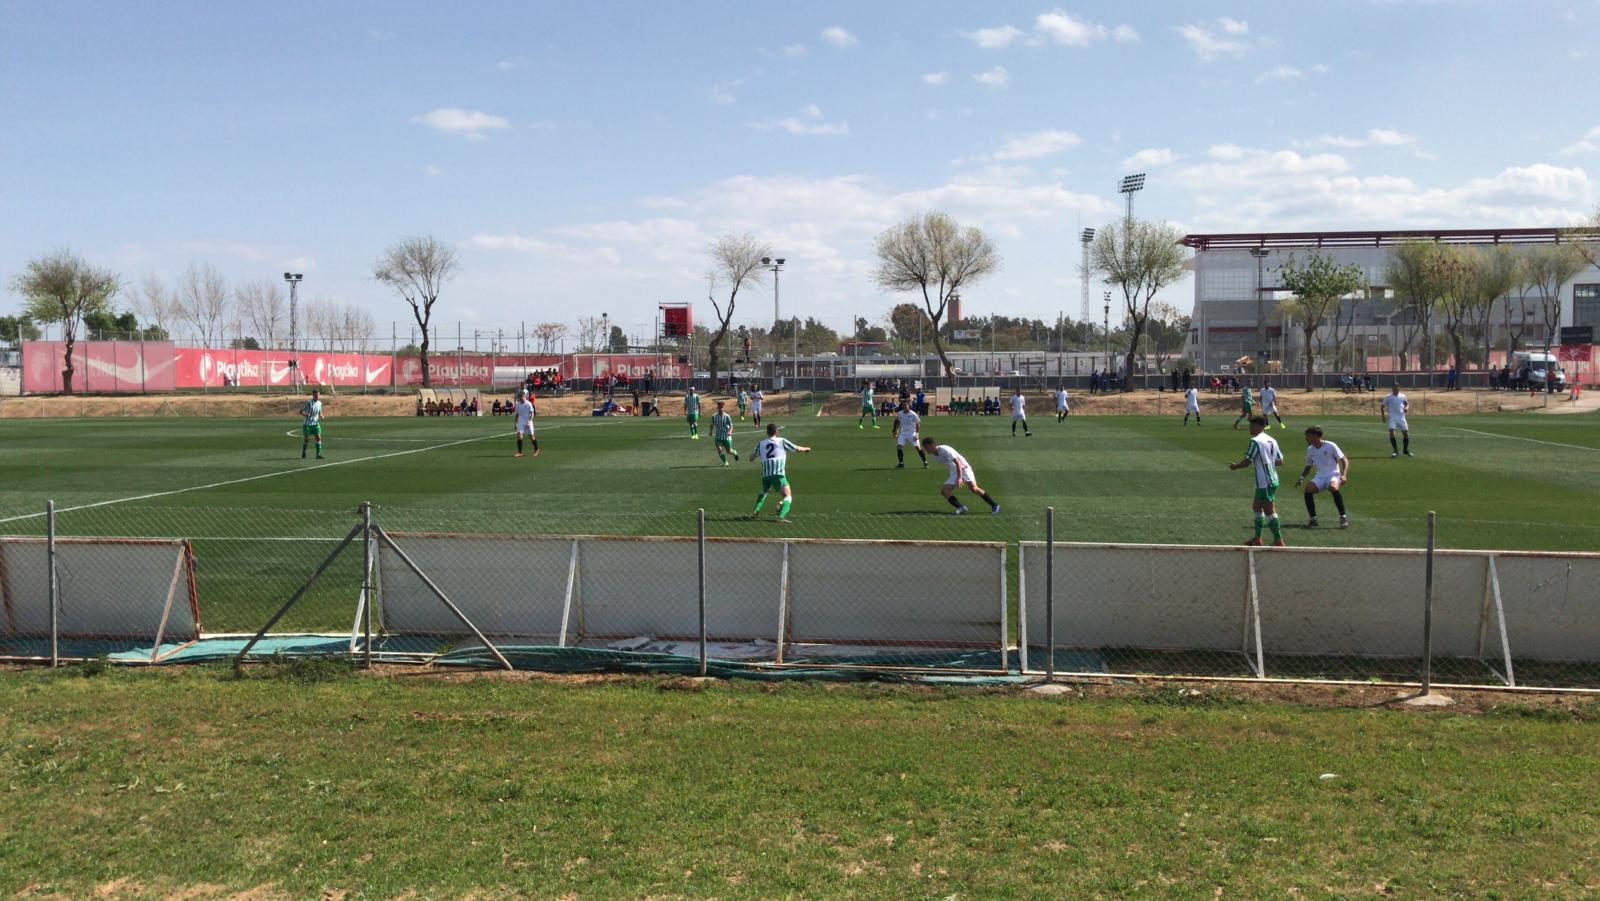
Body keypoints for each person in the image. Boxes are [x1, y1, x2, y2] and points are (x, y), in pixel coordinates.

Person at [1228, 416, 1284, 546]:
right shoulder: (1272, 440)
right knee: (1256, 507)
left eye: (1251, 425)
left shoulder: (1256, 441)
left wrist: (1235, 466)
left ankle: (1278, 540)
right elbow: (1280, 461)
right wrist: (1268, 462)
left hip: (1265, 481)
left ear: (1259, 426)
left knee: (1269, 511)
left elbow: (1248, 461)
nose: (1250, 428)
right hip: (1272, 479)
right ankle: (1257, 539)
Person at [920, 437, 1000, 515]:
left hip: (963, 468)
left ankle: (994, 505)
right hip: (954, 471)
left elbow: (958, 462)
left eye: (926, 447)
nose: (925, 450)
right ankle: (961, 507)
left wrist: (960, 477)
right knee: (945, 491)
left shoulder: (944, 449)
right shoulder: (934, 456)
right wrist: (955, 475)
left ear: (932, 445)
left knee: (974, 488)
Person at [750, 423, 810, 521]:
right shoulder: (781, 441)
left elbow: (751, 458)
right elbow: (797, 449)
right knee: (788, 496)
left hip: (765, 474)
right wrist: (807, 449)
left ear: (767, 432)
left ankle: (755, 511)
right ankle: (781, 517)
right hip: (777, 473)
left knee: (764, 491)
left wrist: (760, 455)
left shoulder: (761, 443)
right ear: (776, 431)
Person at [1296, 426, 1349, 529]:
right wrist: (1302, 477)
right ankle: (1313, 519)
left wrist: (1344, 475)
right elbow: (1308, 465)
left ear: (1315, 436)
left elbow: (1344, 460)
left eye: (1308, 436)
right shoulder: (1310, 449)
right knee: (1308, 490)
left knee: (1333, 487)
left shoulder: (1330, 445)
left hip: (1333, 474)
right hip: (1320, 477)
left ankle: (1343, 517)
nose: (1306, 439)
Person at [1380, 384, 1412, 457]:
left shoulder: (1403, 396)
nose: (1395, 388)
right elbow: (1382, 407)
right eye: (1394, 387)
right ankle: (1395, 451)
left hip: (1401, 417)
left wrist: (1406, 408)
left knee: (1406, 433)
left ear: (1399, 388)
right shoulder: (1388, 397)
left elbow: (1407, 404)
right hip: (1392, 418)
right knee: (1392, 432)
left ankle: (1405, 450)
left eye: (1396, 387)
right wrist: (1383, 417)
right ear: (1392, 388)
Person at [892, 401, 926, 469]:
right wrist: (896, 430)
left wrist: (917, 434)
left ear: (908, 406)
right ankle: (901, 463)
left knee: (917, 447)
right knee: (899, 447)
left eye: (906, 405)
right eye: (903, 405)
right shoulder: (900, 414)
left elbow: (917, 424)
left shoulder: (913, 414)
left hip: (912, 433)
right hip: (903, 434)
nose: (905, 406)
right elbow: (898, 422)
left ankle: (925, 462)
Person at [711, 400, 738, 466]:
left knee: (728, 451)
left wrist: (730, 431)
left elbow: (731, 425)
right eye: (720, 407)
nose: (721, 408)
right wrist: (710, 431)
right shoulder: (714, 416)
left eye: (722, 407)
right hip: (718, 437)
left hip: (726, 437)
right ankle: (725, 462)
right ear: (718, 407)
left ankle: (735, 452)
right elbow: (712, 424)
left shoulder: (727, 416)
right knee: (719, 450)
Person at [300, 390, 324, 460]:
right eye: (316, 395)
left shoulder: (319, 403)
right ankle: (304, 452)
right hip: (307, 424)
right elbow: (300, 411)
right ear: (313, 395)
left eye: (318, 395)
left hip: (315, 424)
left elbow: (320, 413)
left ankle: (318, 454)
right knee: (306, 439)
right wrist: (306, 414)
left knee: (318, 438)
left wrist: (322, 416)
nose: (317, 396)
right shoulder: (308, 403)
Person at [513, 390, 538, 458]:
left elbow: (532, 414)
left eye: (522, 396)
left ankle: (536, 450)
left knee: (531, 437)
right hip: (521, 421)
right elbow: (517, 414)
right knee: (519, 436)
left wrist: (529, 421)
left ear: (525, 396)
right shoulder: (517, 404)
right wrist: (515, 423)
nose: (521, 398)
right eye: (520, 397)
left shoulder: (529, 404)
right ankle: (520, 452)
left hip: (528, 421)